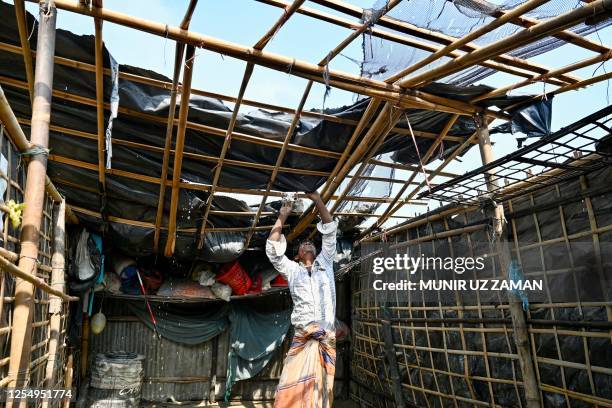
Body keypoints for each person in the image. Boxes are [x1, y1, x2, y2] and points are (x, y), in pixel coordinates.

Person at [266, 191, 337, 408]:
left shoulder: (326, 262)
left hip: (325, 338)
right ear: (297, 254)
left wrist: (317, 200)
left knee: (321, 391)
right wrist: (283, 213)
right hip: (302, 337)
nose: (308, 244)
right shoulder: (292, 271)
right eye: (304, 244)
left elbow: (330, 231)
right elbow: (272, 250)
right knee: (292, 387)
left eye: (311, 244)